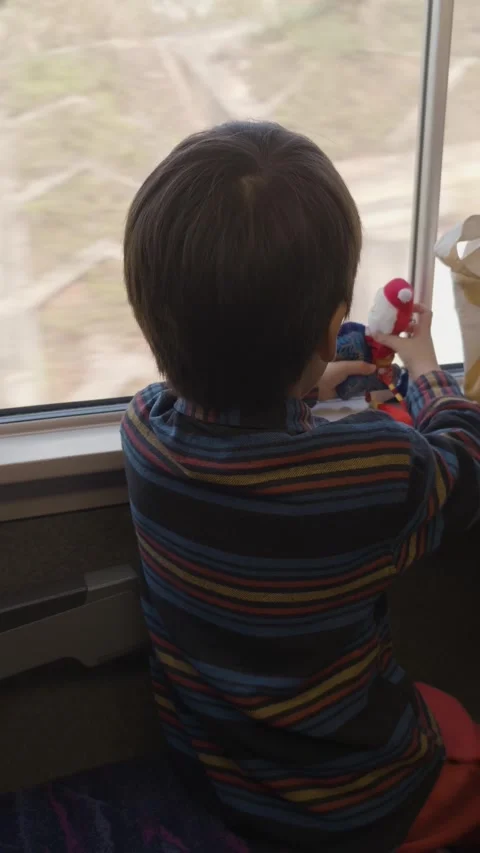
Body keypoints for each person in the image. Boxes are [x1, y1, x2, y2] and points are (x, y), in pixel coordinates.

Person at [121, 121, 480, 853]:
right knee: (462, 732)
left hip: (215, 771)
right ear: (329, 330)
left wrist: (313, 379)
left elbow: (235, 407)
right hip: (354, 801)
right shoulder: (376, 467)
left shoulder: (142, 432)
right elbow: (465, 459)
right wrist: (428, 369)